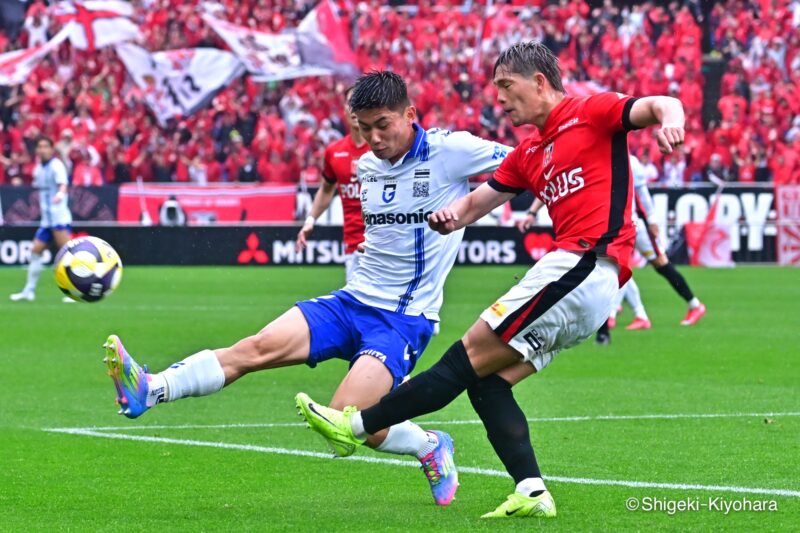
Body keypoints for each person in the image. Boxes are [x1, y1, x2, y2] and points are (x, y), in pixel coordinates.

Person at [296, 41, 687, 519]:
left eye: (506, 86)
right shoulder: (529, 153)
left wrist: (671, 120)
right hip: (585, 288)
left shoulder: (591, 110)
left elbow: (660, 103)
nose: (499, 99)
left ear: (538, 82)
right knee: (487, 383)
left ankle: (354, 427)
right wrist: (448, 217)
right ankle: (532, 490)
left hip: (584, 264)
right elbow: (477, 202)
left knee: (462, 360)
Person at [104, 71, 512, 507]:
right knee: (255, 347)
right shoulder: (367, 167)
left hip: (402, 319)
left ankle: (429, 445)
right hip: (350, 301)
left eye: (383, 125)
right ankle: (151, 388)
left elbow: (527, 162)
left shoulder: (451, 151)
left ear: (410, 114)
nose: (372, 138)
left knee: (351, 423)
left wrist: (472, 206)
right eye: (363, 127)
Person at [295, 87, 370, 284]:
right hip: (354, 246)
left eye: (361, 102)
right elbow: (326, 190)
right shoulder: (334, 152)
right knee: (357, 311)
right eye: (351, 103)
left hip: (387, 243)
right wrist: (310, 220)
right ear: (344, 110)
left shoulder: (383, 148)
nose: (355, 109)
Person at [10, 136, 74, 303]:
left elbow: (63, 184)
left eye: (46, 146)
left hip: (59, 218)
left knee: (67, 255)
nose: (42, 149)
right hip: (46, 221)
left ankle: (74, 291)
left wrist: (60, 194)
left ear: (51, 149)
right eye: (40, 146)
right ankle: (28, 291)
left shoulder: (56, 165)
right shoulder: (38, 169)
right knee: (35, 251)